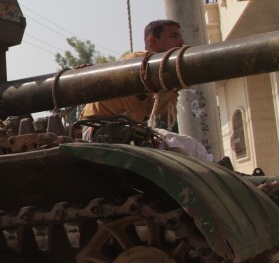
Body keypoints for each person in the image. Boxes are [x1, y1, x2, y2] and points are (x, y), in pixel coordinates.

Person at [80, 20, 210, 160]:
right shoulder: (135, 61)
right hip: (98, 128)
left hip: (130, 129)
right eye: (174, 36)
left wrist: (169, 92)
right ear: (153, 41)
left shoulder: (165, 80)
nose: (181, 42)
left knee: (190, 146)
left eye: (180, 37)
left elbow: (165, 119)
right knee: (173, 148)